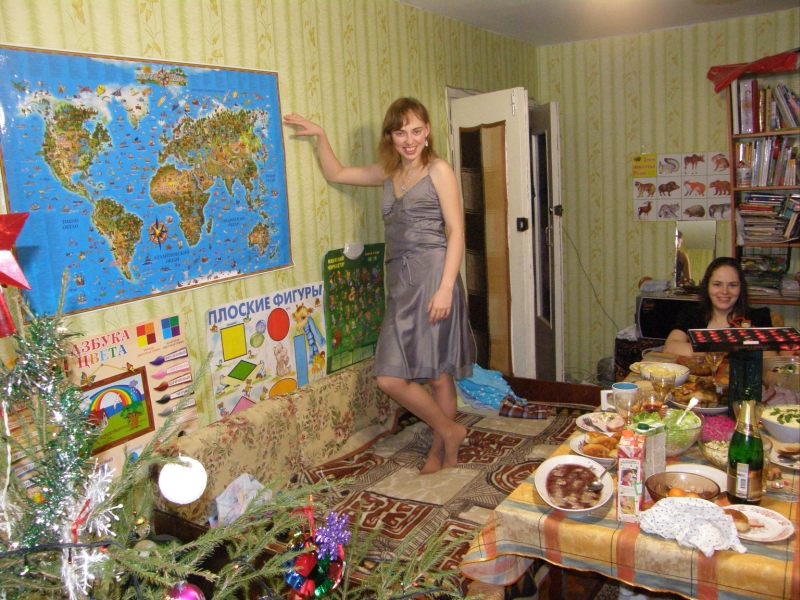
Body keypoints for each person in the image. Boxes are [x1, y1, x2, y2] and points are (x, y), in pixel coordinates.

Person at [283, 98, 474, 474]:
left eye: (416, 131)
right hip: (400, 283)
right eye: (401, 133)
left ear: (427, 131)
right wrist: (320, 135)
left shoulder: (438, 170)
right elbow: (337, 173)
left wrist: (446, 287)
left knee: (438, 374)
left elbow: (456, 231)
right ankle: (451, 431)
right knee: (389, 377)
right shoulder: (388, 173)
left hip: (434, 276)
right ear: (390, 136)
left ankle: (441, 448)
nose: (409, 140)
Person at [664, 256, 772, 357]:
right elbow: (670, 347)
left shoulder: (759, 317)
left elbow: (770, 358)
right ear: (707, 286)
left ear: (741, 288)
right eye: (717, 284)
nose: (724, 291)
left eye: (732, 285)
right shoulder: (692, 313)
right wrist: (717, 351)